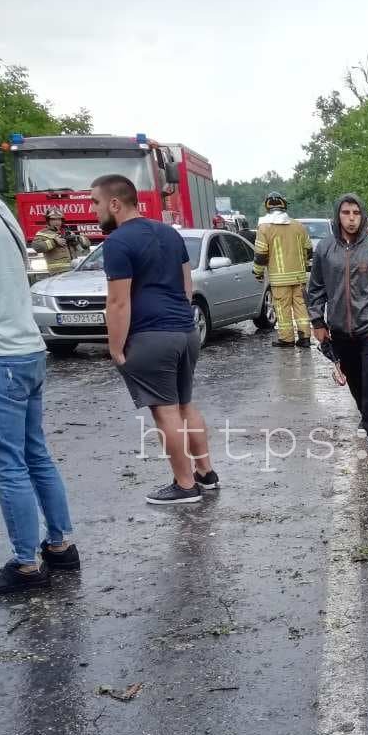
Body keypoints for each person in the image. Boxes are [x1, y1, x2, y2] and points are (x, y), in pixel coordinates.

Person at [0, 116, 78, 596]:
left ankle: (26, 566)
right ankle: (61, 546)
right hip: (26, 350)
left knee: (7, 463)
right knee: (35, 454)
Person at [92, 173, 219, 505]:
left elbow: (119, 302)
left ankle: (184, 484)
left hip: (151, 336)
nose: (94, 210)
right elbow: (187, 286)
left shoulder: (117, 242)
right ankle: (206, 473)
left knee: (165, 412)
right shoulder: (170, 234)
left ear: (115, 203)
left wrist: (116, 347)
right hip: (185, 331)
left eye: (96, 202)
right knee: (185, 404)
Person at [306, 194, 368, 452]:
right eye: (346, 213)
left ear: (363, 215)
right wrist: (317, 322)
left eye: (356, 213)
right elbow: (316, 289)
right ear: (338, 216)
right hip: (339, 327)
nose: (351, 218)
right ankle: (366, 415)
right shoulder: (325, 249)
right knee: (354, 377)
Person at [252, 192, 313, 347]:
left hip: (280, 279)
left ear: (267, 208)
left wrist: (258, 272)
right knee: (301, 307)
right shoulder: (299, 226)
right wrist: (304, 266)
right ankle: (305, 338)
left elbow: (260, 255)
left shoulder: (264, 228)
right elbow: (309, 250)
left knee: (282, 308)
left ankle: (287, 339)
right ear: (284, 206)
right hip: (299, 277)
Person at [30, 208, 90, 276]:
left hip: (74, 270)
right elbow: (37, 247)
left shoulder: (67, 232)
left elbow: (85, 251)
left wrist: (80, 241)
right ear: (48, 221)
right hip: (57, 272)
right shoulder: (42, 233)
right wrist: (54, 242)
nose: (57, 222)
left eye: (59, 219)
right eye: (53, 219)